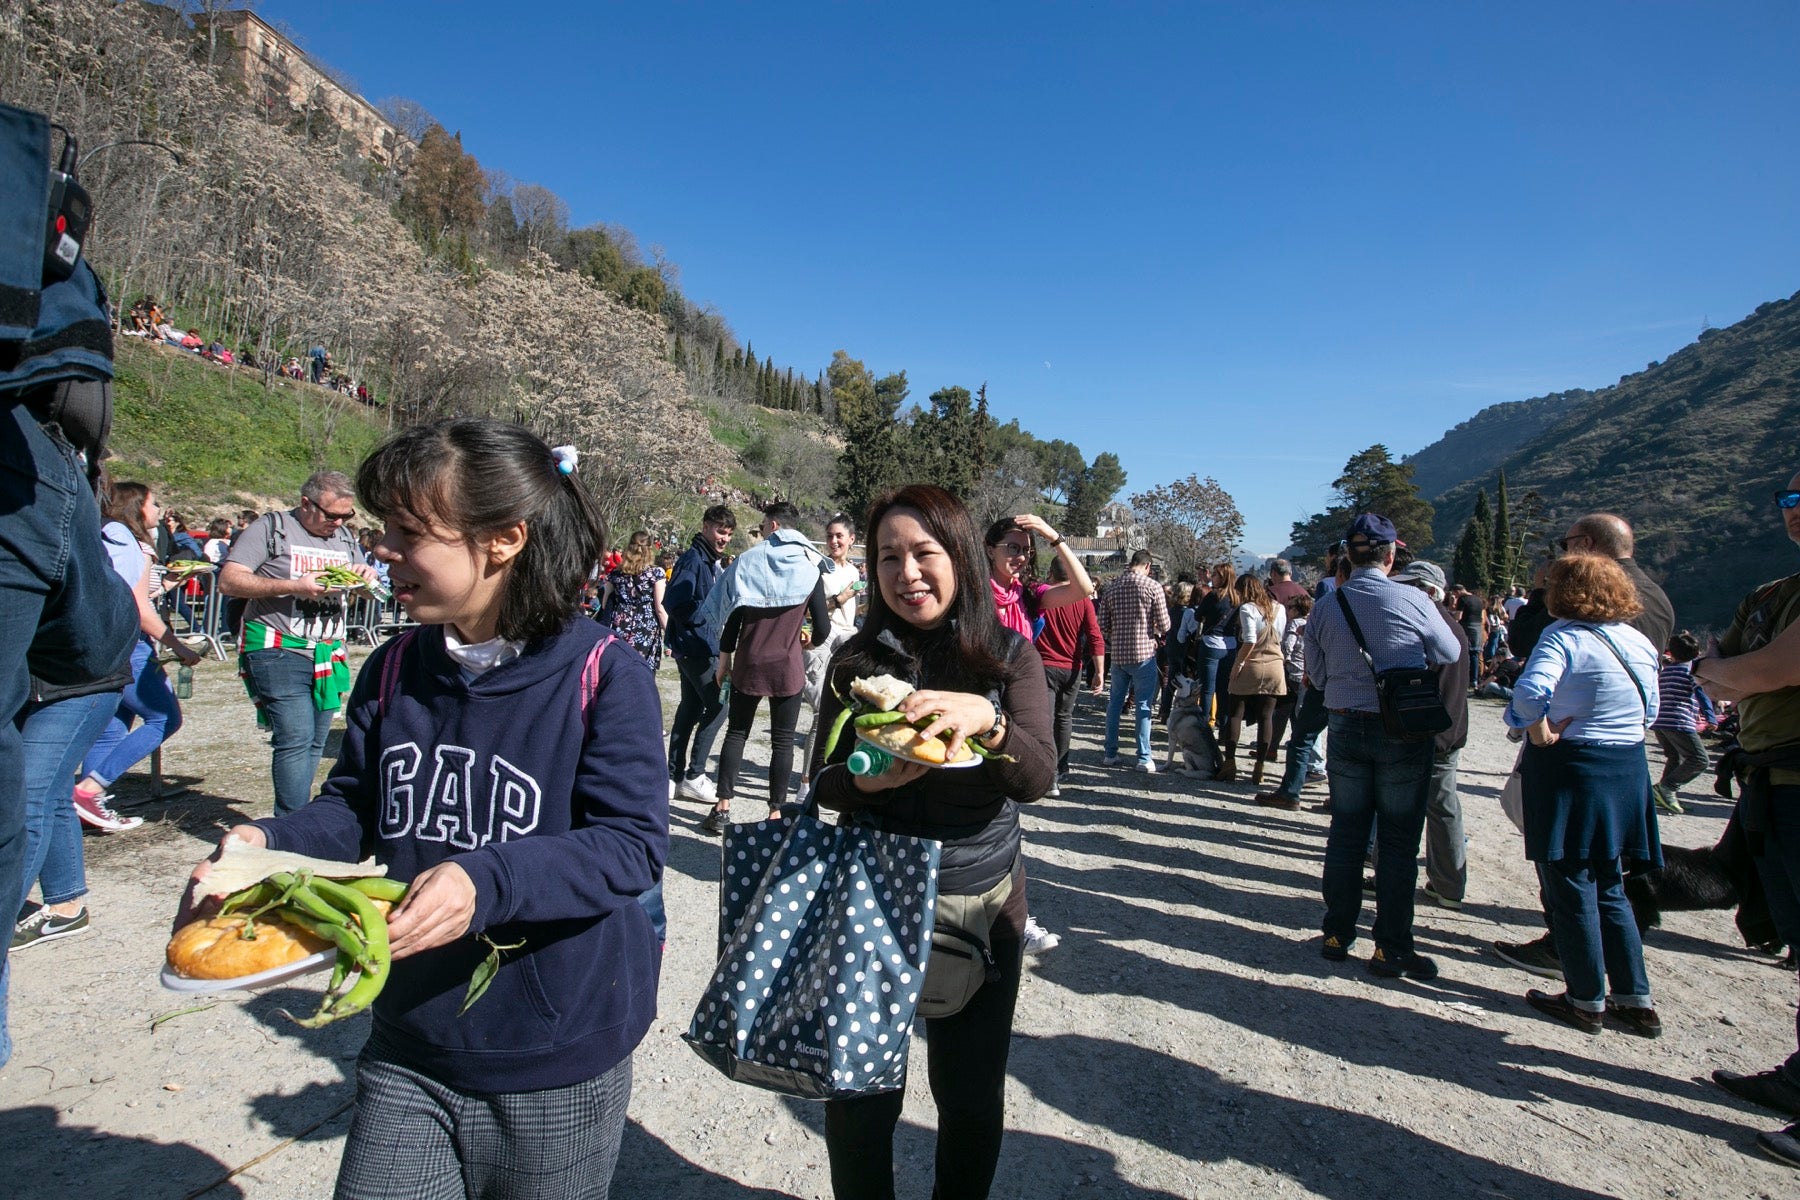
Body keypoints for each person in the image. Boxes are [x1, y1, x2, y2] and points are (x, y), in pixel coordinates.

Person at [179, 418, 667, 1198]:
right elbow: (353, 810)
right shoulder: (395, 666)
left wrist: (487, 881)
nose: (382, 551)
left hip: (551, 1053)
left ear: (501, 541)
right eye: (381, 530)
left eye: (409, 533)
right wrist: (263, 841)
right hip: (408, 1040)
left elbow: (631, 846)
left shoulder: (606, 675)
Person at [806, 483, 1054, 1200]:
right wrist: (867, 784)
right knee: (857, 1097)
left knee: (969, 1092)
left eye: (924, 552)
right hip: (871, 892)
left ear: (961, 558)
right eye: (888, 557)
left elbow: (1037, 777)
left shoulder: (1007, 656)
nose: (906, 572)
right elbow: (822, 782)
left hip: (981, 898)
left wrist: (991, 720)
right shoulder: (857, 662)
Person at [1494, 512, 1675, 978]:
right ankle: (1633, 994)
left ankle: (1582, 988)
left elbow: (1529, 689)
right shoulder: (1648, 618)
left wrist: (1533, 727)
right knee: (1610, 880)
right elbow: (1651, 707)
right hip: (1626, 757)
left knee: (1568, 876)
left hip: (1573, 755)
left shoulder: (1566, 633)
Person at [1692, 470, 1800, 1168]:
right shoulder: (1775, 593)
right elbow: (1714, 667)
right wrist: (1738, 670)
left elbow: (1753, 674)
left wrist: (1741, 671)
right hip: (1775, 774)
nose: (1794, 511)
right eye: (1788, 499)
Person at [1305, 513, 1463, 979]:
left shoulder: (1327, 606)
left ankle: (1336, 933)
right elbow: (1450, 653)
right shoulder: (1412, 598)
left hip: (1346, 726)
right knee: (1397, 842)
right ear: (1391, 555)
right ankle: (1391, 946)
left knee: (1347, 832)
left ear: (1347, 557)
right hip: (1401, 728)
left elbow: (1314, 674)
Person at [219, 471, 377, 815]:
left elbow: (365, 589)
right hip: (277, 648)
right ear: (306, 503)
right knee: (295, 738)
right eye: (331, 515)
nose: (338, 522)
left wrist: (368, 578)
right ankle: (291, 823)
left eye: (346, 516)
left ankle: (296, 819)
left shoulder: (345, 539)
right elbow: (229, 581)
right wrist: (293, 585)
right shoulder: (269, 528)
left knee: (317, 741)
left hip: (327, 652)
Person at [66, 481, 203, 830]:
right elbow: (138, 607)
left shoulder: (107, 536)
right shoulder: (134, 544)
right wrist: (179, 646)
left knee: (113, 728)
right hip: (131, 644)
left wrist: (168, 583)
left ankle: (83, 808)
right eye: (154, 503)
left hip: (106, 643)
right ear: (137, 507)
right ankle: (89, 790)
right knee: (164, 719)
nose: (159, 510)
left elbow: (131, 591)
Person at [700, 502, 829, 831]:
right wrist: (806, 643)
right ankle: (774, 814)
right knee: (783, 742)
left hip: (749, 662)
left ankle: (722, 807)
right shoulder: (811, 567)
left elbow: (732, 620)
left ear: (773, 525)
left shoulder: (750, 562)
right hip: (787, 666)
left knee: (737, 733)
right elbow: (824, 629)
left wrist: (724, 661)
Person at [1389, 560, 1470, 908]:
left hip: (1420, 731)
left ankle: (1390, 878)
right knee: (1443, 807)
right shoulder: (1454, 627)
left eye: (1408, 585)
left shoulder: (1423, 626)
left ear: (1426, 590)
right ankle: (1449, 884)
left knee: (1397, 810)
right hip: (1450, 730)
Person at [663, 504, 735, 805]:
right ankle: (694, 775)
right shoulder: (694, 560)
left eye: (729, 533)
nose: (724, 538)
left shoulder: (707, 560)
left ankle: (672, 777)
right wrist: (704, 623)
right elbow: (674, 601)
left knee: (690, 708)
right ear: (706, 526)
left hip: (693, 645)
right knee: (720, 705)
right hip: (696, 648)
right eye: (720, 530)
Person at [1098, 549, 1171, 773]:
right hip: (1143, 654)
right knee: (1143, 706)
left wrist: (1117, 634)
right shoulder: (1152, 587)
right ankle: (1143, 757)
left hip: (1119, 653)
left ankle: (1110, 753)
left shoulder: (1112, 587)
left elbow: (1103, 624)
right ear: (1148, 566)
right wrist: (1154, 630)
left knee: (1114, 704)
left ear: (1132, 563)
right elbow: (1165, 624)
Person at [1036, 557, 1105, 795]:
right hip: (1072, 669)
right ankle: (1060, 767)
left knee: (1046, 719)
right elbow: (1095, 635)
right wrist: (1099, 670)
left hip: (1043, 664)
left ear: (1051, 573)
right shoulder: (1082, 600)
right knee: (1064, 717)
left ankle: (1046, 773)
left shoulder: (1042, 595)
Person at [1219, 573, 1287, 785]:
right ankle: (1259, 767)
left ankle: (1229, 764)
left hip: (1252, 664)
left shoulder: (1247, 609)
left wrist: (1238, 664)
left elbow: (1249, 640)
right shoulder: (1279, 608)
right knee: (1266, 717)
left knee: (1235, 714)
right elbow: (1281, 637)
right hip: (1275, 665)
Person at [1649, 631, 1710, 815]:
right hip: (1679, 721)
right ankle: (1667, 787)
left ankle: (1663, 796)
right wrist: (1710, 717)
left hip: (1660, 722)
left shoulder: (1666, 671)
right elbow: (1702, 694)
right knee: (1699, 760)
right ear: (1697, 652)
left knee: (1675, 756)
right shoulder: (1693, 672)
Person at [599, 530, 668, 669]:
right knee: (642, 672)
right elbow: (660, 609)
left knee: (618, 670)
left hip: (619, 625)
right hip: (646, 629)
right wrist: (670, 634)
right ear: (649, 550)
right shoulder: (656, 573)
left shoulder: (616, 573)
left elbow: (605, 603)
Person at [1192, 562, 1239, 728]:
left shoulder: (1213, 596)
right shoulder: (1237, 598)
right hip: (1230, 645)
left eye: (1215, 575)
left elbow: (1198, 615)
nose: (1212, 578)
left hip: (1212, 642)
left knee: (1207, 688)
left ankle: (1204, 725)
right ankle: (1223, 726)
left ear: (1222, 577)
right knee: (1223, 689)